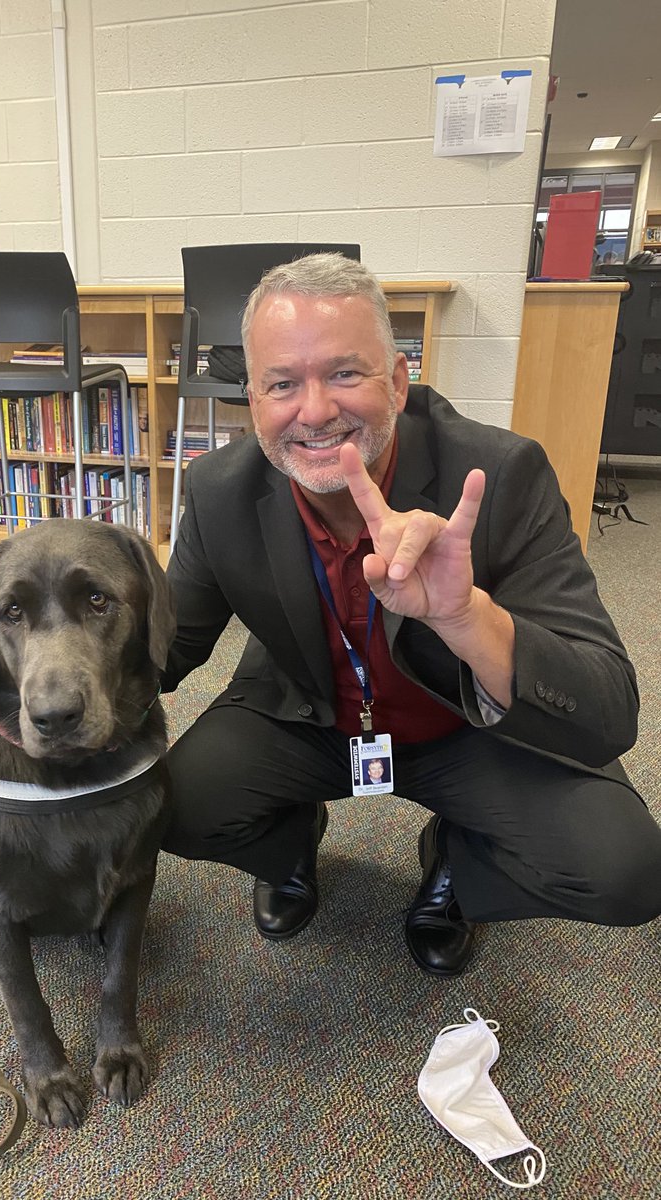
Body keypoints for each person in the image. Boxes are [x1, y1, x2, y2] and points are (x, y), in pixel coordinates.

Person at [160, 252, 661, 977]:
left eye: (344, 373)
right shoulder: (219, 492)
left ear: (397, 380)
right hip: (309, 715)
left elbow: (608, 710)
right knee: (168, 805)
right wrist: (15, 668)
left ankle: (455, 860)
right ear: (254, 399)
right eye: (282, 384)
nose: (315, 410)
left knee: (626, 871)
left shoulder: (501, 475)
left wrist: (465, 618)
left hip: (465, 728)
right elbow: (164, 646)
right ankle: (292, 841)